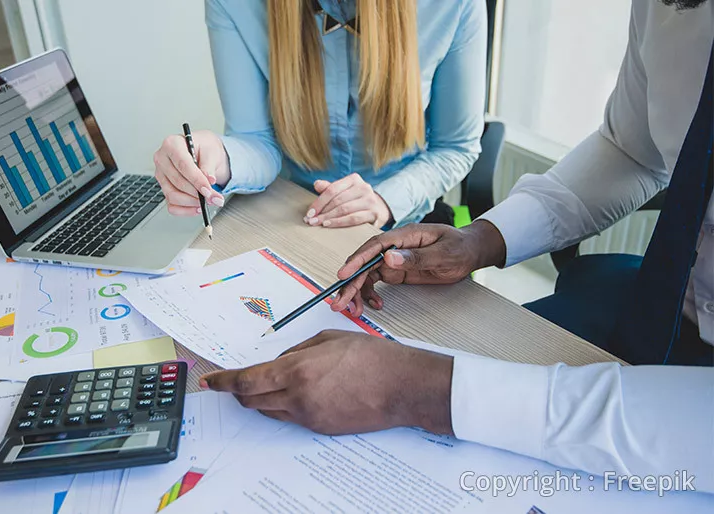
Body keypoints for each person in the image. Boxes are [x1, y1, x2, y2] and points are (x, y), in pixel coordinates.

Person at [199, 0, 714, 495]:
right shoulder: (667, 9)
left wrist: (413, 387)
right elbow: (630, 149)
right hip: (666, 299)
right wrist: (481, 240)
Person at [153, 0, 486, 229]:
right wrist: (218, 155)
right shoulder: (235, 6)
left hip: (400, 219)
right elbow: (255, 140)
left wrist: (386, 200)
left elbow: (455, 147)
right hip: (291, 216)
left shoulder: (450, 6)